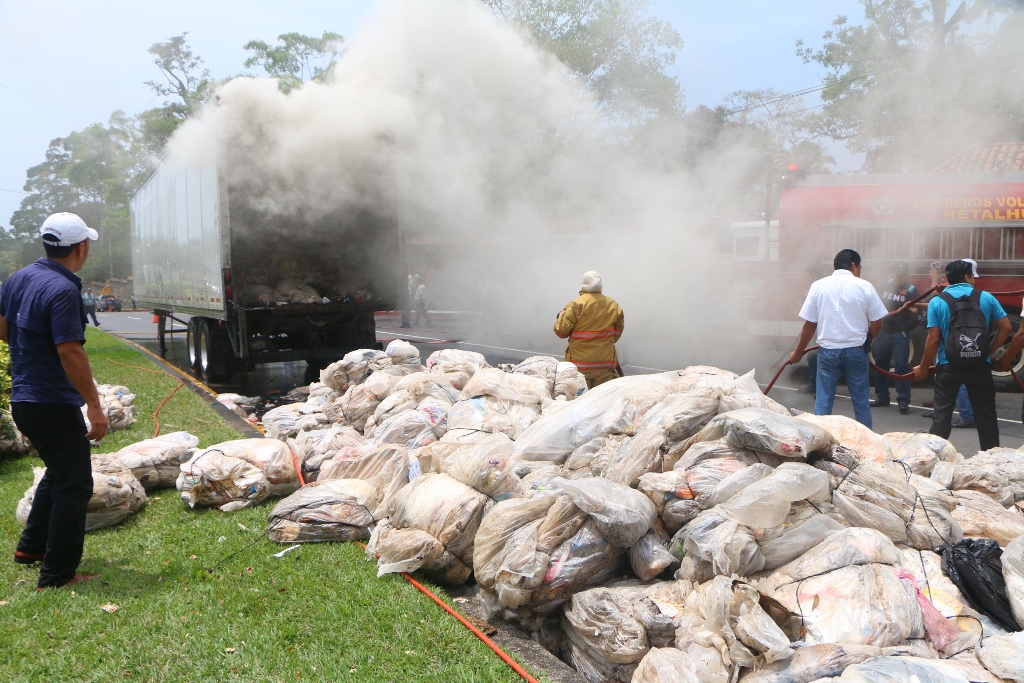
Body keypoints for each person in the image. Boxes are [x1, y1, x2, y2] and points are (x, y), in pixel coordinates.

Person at [0, 212, 109, 589]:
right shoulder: (63, 290)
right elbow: (70, 352)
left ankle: (30, 548)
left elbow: (3, 329)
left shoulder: (18, 279)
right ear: (82, 247)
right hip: (50, 401)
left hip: (25, 399)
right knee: (75, 484)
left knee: (60, 472)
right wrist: (94, 406)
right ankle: (58, 574)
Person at [913, 259, 1011, 451]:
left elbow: (933, 339)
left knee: (941, 417)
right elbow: (1006, 328)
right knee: (986, 417)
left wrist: (924, 366)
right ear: (967, 277)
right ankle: (991, 461)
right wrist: (988, 352)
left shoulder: (938, 302)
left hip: (948, 367)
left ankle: (933, 460)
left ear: (948, 279)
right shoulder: (986, 298)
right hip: (980, 366)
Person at [790, 249, 887, 427]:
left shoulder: (817, 286)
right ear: (853, 266)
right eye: (860, 267)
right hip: (857, 352)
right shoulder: (865, 286)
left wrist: (798, 353)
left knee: (823, 403)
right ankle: (867, 445)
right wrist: (868, 339)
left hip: (827, 353)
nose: (860, 271)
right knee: (861, 403)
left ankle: (819, 443)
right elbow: (877, 323)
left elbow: (809, 325)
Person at [554, 270, 624, 389]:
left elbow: (561, 331)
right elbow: (616, 335)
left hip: (579, 367)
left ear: (583, 284)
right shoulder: (613, 305)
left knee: (579, 400)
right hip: (604, 366)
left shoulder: (576, 305)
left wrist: (561, 317)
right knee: (602, 400)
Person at [870, 262, 919, 414]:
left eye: (902, 275)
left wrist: (907, 309)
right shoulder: (885, 286)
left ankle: (903, 400)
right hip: (883, 331)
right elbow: (875, 303)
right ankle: (882, 397)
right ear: (892, 274)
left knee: (901, 367)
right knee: (881, 364)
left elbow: (916, 310)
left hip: (901, 332)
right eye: (897, 274)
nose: (899, 278)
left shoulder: (911, 290)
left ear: (907, 275)